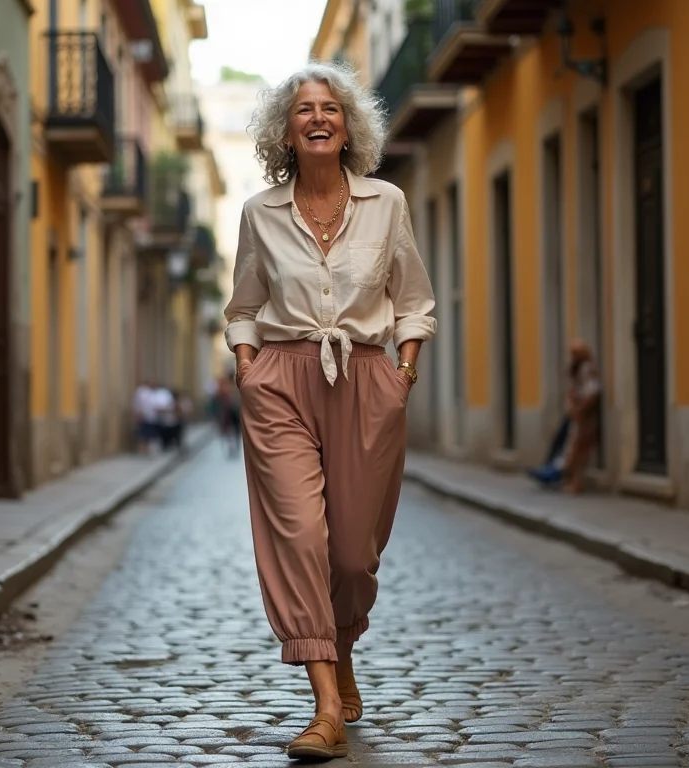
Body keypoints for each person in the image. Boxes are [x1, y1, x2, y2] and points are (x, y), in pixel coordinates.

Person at [224, 63, 436, 760]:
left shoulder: (387, 204)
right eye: (303, 110)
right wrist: (250, 368)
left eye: (331, 109)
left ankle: (342, 650)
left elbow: (414, 301)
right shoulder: (261, 212)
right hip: (283, 379)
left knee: (351, 554)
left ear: (349, 127)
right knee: (300, 538)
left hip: (367, 380)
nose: (318, 118)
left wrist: (403, 372)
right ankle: (323, 708)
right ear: (284, 131)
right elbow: (245, 308)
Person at [563, 339, 602, 494]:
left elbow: (593, 392)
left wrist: (579, 409)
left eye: (574, 353)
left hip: (584, 415)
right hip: (579, 414)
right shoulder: (577, 370)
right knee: (575, 449)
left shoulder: (587, 369)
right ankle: (573, 481)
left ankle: (576, 483)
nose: (572, 357)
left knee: (579, 449)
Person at [132, 380, 158, 455]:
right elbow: (137, 403)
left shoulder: (151, 392)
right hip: (144, 417)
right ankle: (142, 450)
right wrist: (139, 414)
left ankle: (147, 450)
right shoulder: (141, 392)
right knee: (143, 434)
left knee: (149, 434)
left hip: (151, 417)